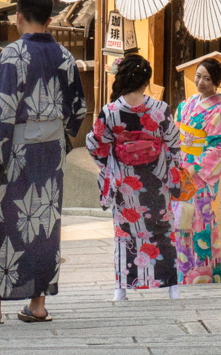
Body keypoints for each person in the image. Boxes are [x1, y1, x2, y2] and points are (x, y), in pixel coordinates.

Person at [0, 0, 86, 325]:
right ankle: (38, 303)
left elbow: (0, 107)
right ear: (50, 19)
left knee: (9, 223)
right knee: (44, 223)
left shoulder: (14, 54)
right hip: (52, 151)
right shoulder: (65, 56)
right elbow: (77, 112)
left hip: (19, 150)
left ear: (18, 15)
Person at [86, 55, 182, 301]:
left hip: (125, 183)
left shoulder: (111, 111)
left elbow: (96, 145)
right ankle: (172, 287)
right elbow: (173, 143)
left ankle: (121, 288)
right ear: (146, 81)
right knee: (162, 229)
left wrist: (111, 165)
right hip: (156, 180)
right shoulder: (160, 110)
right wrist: (173, 171)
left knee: (125, 232)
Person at [174, 57, 221, 285]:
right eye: (198, 76)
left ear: (216, 82)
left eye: (207, 78)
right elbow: (175, 133)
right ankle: (182, 273)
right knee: (180, 220)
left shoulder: (219, 111)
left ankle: (204, 275)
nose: (201, 82)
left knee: (200, 221)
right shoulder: (186, 104)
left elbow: (218, 146)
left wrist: (194, 168)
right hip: (180, 170)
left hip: (198, 175)